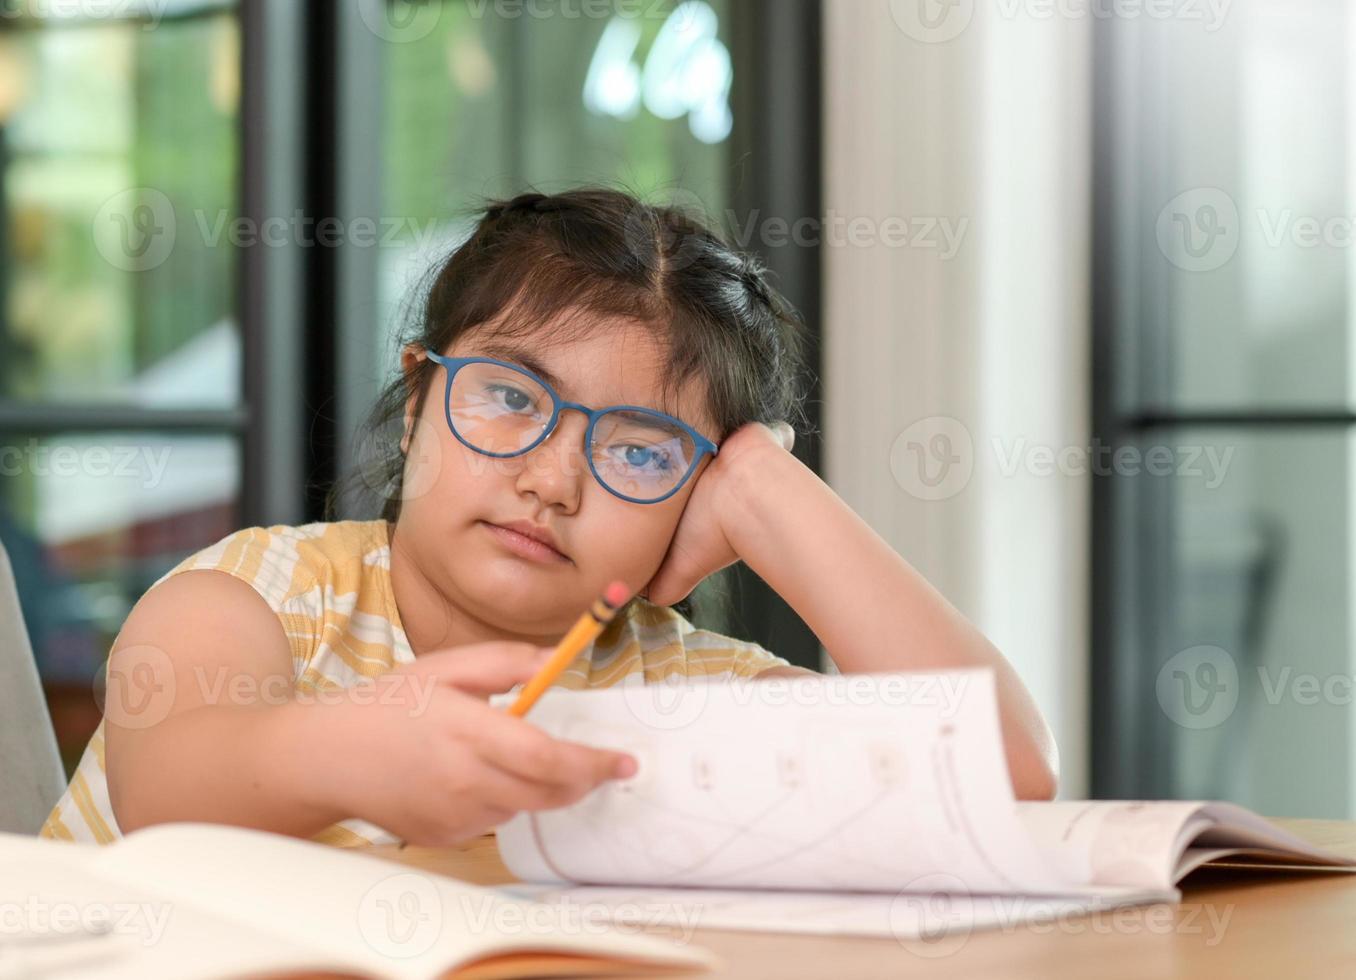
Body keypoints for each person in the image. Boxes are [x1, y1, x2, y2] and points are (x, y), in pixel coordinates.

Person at [41, 188, 1057, 849]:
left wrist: (767, 488)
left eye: (642, 450)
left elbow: (1008, 770)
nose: (553, 479)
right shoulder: (255, 593)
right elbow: (171, 793)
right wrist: (349, 750)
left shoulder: (684, 685)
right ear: (418, 403)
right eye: (510, 397)